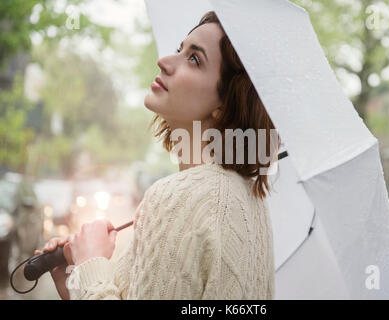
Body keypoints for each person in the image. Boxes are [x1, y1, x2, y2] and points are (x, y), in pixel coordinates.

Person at [35, 10, 280, 300]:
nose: (164, 61)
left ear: (224, 105)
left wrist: (92, 262)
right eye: (180, 49)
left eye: (194, 59)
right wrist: (75, 283)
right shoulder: (253, 204)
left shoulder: (178, 198)